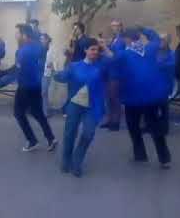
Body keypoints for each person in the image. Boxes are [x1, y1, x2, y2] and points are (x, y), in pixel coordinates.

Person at [112, 26, 171, 169]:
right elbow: (156, 37)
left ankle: (140, 154)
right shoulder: (150, 49)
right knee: (155, 127)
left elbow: (114, 56)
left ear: (127, 39)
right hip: (150, 97)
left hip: (132, 97)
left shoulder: (124, 55)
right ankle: (164, 158)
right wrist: (144, 29)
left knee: (133, 127)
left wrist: (118, 38)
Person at [54, 38, 111, 177]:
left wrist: (104, 48)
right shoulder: (75, 66)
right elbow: (61, 77)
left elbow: (114, 60)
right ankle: (66, 160)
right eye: (92, 49)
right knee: (70, 133)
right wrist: (54, 72)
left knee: (88, 133)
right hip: (75, 104)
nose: (95, 52)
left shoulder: (101, 66)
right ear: (85, 50)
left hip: (93, 106)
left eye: (97, 50)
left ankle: (77, 161)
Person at [0, 24, 57, 152]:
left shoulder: (23, 51)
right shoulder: (39, 47)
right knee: (37, 112)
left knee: (18, 113)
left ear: (24, 35)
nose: (16, 36)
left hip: (25, 87)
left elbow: (18, 70)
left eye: (17, 33)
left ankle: (32, 140)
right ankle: (51, 138)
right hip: (36, 86)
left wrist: (2, 80)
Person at [101, 19, 126, 131]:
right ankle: (110, 120)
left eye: (115, 26)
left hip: (116, 73)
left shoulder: (121, 41)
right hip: (109, 72)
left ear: (120, 27)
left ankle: (115, 123)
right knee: (109, 98)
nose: (113, 28)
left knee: (115, 99)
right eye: (112, 26)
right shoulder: (114, 39)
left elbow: (115, 57)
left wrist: (105, 47)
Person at [63, 22, 89, 115]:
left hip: (80, 68)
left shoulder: (84, 40)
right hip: (73, 67)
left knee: (78, 90)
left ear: (81, 29)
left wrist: (73, 43)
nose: (73, 31)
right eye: (73, 29)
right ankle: (70, 109)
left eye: (75, 29)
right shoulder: (74, 40)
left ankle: (75, 110)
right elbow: (70, 52)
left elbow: (79, 52)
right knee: (71, 88)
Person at [40, 34, 55, 117]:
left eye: (42, 39)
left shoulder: (51, 49)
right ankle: (44, 111)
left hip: (47, 73)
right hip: (40, 72)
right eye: (40, 39)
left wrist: (52, 69)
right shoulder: (40, 49)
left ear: (46, 40)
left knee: (43, 92)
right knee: (43, 93)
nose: (41, 40)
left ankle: (45, 112)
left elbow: (52, 62)